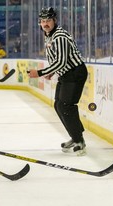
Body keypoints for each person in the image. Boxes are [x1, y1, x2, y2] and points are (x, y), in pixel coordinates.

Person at [28, 7, 88, 156]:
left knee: (66, 106)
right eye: (42, 21)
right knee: (59, 105)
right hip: (66, 74)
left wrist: (41, 72)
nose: (45, 23)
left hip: (75, 73)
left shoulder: (59, 36)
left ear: (54, 20)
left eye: (48, 20)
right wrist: (53, 71)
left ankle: (79, 140)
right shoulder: (49, 35)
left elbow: (61, 61)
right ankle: (75, 137)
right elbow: (59, 60)